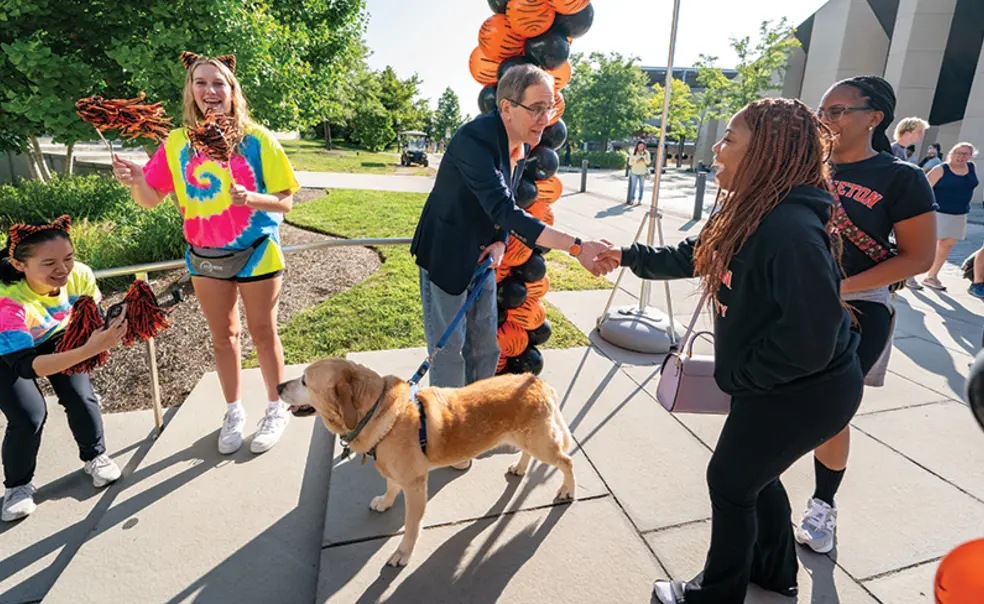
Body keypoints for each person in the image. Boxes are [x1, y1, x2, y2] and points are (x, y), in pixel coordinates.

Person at [595, 98, 864, 603]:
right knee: (754, 476)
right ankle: (776, 573)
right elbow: (694, 254)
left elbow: (810, 342)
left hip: (807, 390)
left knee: (731, 480)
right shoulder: (756, 208)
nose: (717, 148)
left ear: (764, 152)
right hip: (777, 383)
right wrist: (627, 255)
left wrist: (742, 378)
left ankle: (715, 595)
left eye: (730, 139)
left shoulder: (789, 230)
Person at [411, 64, 609, 468]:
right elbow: (504, 206)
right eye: (537, 108)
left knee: (487, 344)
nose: (546, 118)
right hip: (446, 255)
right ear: (506, 107)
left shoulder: (519, 142)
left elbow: (504, 210)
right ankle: (448, 436)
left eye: (551, 107)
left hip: (484, 255)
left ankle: (478, 422)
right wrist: (575, 246)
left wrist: (501, 239)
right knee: (450, 350)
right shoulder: (474, 140)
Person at [111, 53, 300, 456]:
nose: (210, 91)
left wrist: (252, 198)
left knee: (264, 335)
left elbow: (285, 202)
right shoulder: (177, 142)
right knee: (223, 338)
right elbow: (150, 199)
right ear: (191, 91)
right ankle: (233, 411)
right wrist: (136, 180)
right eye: (201, 83)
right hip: (205, 256)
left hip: (257, 253)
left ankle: (276, 406)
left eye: (219, 83)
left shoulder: (257, 139)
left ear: (233, 92)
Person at [795, 75, 936, 554]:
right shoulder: (803, 166)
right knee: (774, 395)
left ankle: (823, 505)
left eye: (838, 111)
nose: (826, 120)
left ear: (874, 118)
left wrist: (840, 287)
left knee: (834, 408)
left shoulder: (902, 178)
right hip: (794, 299)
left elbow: (918, 258)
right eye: (822, 111)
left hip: (861, 304)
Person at [1, 217, 125, 522]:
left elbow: (92, 312)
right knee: (29, 415)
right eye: (49, 263)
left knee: (81, 396)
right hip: (9, 352)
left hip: (54, 334)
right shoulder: (7, 301)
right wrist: (89, 349)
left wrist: (120, 321)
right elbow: (29, 367)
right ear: (20, 265)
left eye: (68, 258)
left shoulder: (79, 274)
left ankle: (95, 456)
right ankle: (17, 487)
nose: (63, 269)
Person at [920, 143, 980, 290]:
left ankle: (931, 276)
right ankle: (908, 276)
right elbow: (923, 189)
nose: (961, 156)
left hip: (960, 213)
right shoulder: (941, 169)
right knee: (925, 246)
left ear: (971, 156)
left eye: (965, 154)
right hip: (938, 212)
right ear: (951, 153)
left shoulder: (971, 167)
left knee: (946, 245)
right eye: (958, 153)